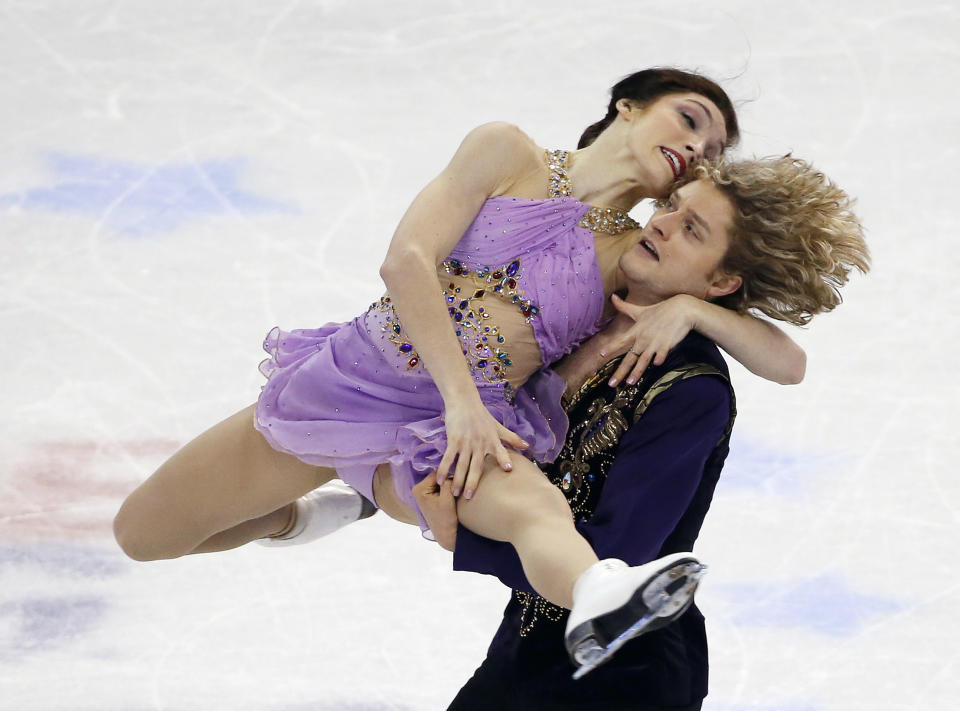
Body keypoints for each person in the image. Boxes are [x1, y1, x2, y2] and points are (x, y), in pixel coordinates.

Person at [112, 69, 809, 673]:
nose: (695, 149)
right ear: (628, 104)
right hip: (357, 382)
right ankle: (310, 514)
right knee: (145, 535)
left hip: (455, 436)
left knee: (538, 511)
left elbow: (788, 362)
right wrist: (460, 402)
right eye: (689, 120)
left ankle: (603, 595)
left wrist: (698, 312)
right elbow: (405, 260)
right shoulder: (505, 151)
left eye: (710, 150)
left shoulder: (637, 253)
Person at [401, 157, 869, 709]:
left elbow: (618, 553)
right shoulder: (581, 315)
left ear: (721, 282)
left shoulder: (690, 390)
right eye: (671, 205)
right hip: (527, 646)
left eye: (691, 229)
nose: (662, 224)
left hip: (626, 675)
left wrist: (464, 537)